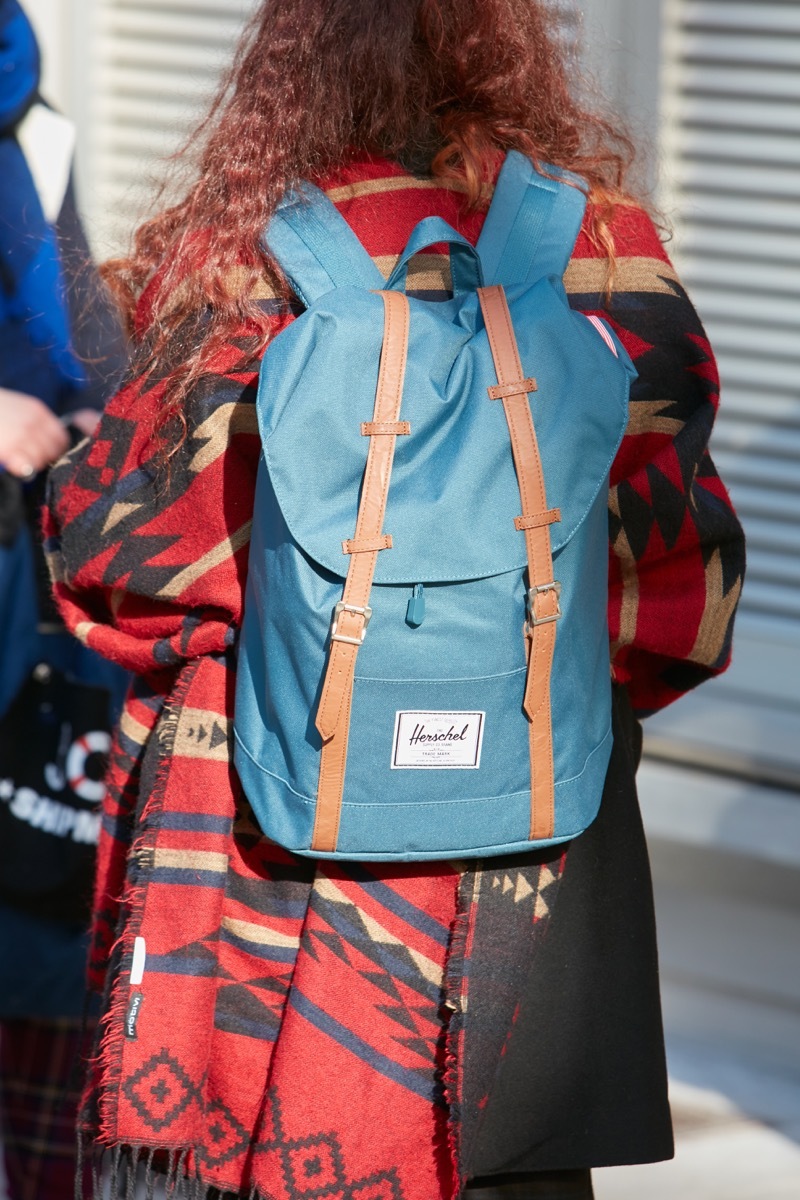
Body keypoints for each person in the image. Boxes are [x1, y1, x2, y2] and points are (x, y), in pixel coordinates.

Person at [45, 2, 746, 1197]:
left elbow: (118, 562)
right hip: (527, 862)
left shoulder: (236, 256)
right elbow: (683, 592)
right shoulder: (604, 251)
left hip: (262, 841)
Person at [0, 3, 126, 1197]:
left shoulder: (33, 126)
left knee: (44, 946)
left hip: (25, 599)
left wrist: (103, 423)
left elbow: (84, 335)